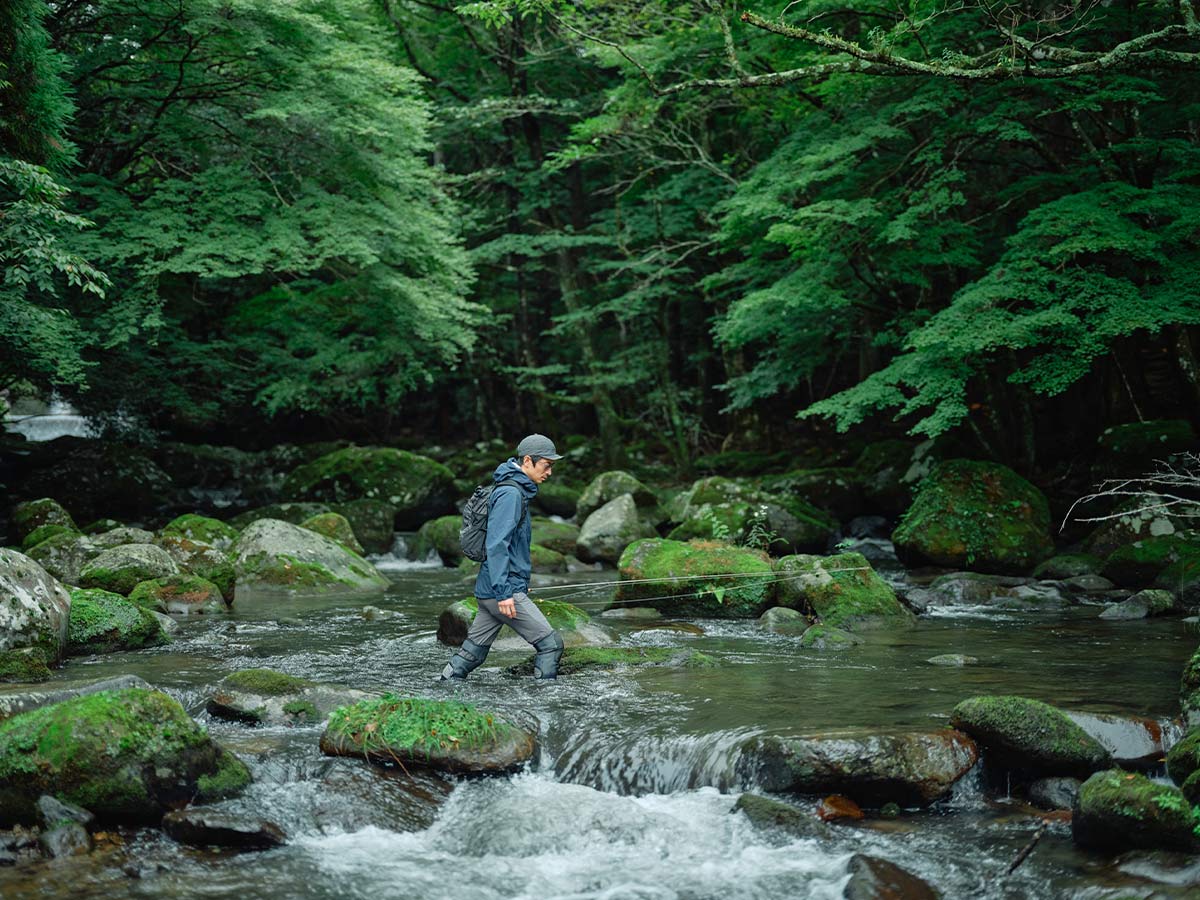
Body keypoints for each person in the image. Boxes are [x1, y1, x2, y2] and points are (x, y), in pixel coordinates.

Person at [440, 434, 565, 681]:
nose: (549, 472)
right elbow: (497, 544)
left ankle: (444, 684)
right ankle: (549, 704)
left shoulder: (511, 488)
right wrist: (505, 591)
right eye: (546, 465)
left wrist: (514, 580)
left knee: (473, 653)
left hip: (490, 593)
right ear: (528, 460)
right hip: (500, 593)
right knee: (551, 645)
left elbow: (510, 546)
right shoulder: (511, 494)